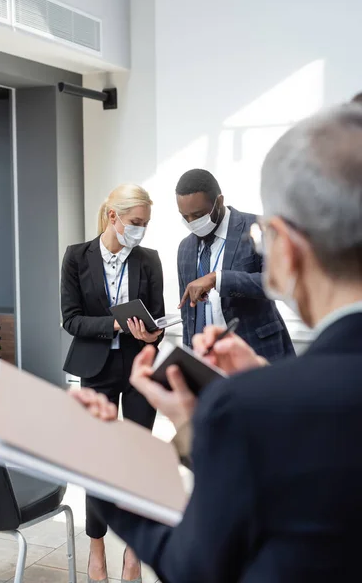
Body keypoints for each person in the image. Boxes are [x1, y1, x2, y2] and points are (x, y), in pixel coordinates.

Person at [72, 101, 362, 582]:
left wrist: (104, 469)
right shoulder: (184, 250)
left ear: (283, 248)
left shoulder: (254, 408)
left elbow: (198, 565)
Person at [61, 184, 165, 583]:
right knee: (99, 462)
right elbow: (71, 319)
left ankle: (135, 550)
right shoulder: (76, 257)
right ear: (113, 218)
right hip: (96, 368)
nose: (140, 231)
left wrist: (151, 333)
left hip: (139, 367)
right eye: (136, 223)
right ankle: (97, 546)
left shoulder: (150, 260)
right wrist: (116, 324)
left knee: (137, 460)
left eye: (146, 224)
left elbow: (156, 318)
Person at [176, 168, 294, 360]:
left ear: (219, 202)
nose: (191, 223)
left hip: (258, 352)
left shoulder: (257, 228)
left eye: (198, 216)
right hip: (208, 361)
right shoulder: (185, 248)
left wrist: (219, 279)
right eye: (185, 216)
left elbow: (279, 283)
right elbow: (188, 314)